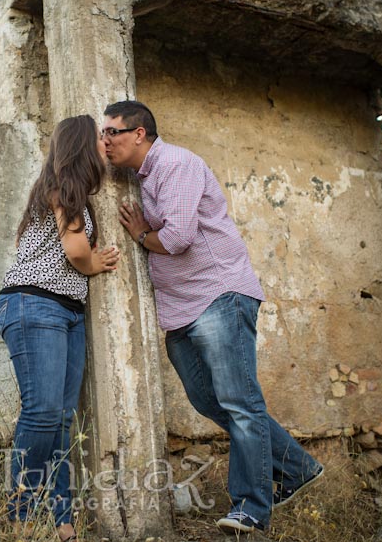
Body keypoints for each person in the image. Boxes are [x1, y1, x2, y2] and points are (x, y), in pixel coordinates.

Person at [103, 100, 323, 538]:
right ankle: (298, 468)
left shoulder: (178, 164)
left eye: (113, 132)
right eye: (102, 132)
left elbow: (180, 237)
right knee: (210, 401)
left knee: (240, 402)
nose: (105, 140)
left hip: (219, 295)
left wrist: (141, 234)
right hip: (181, 309)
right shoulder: (142, 175)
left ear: (140, 134)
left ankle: (250, 509)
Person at [0, 114, 120, 542]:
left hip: (66, 312)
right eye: (101, 138)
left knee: (62, 419)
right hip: (36, 305)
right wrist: (94, 262)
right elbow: (75, 250)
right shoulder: (65, 187)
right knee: (44, 412)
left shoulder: (68, 193)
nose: (107, 144)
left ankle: (62, 520)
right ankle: (20, 517)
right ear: (83, 146)